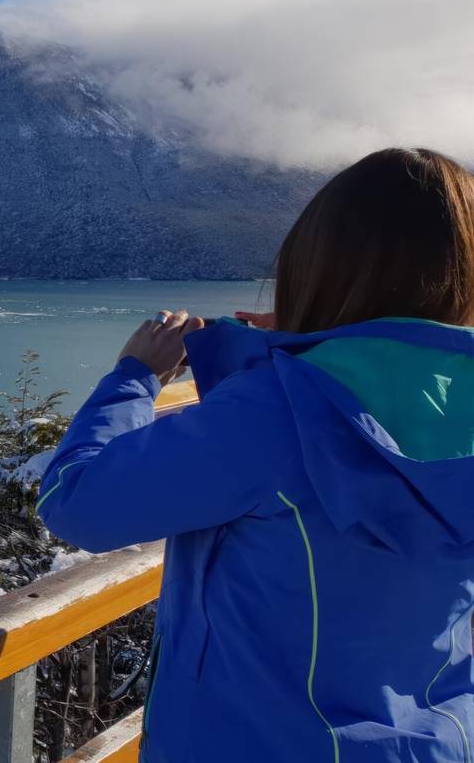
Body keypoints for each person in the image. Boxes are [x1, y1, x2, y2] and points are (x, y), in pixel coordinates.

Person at [39, 147, 474, 762]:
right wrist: (317, 341)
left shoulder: (274, 411)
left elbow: (77, 501)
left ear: (319, 265)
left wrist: (134, 376)